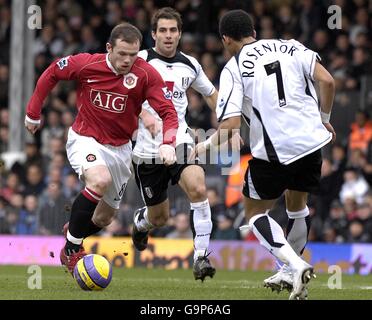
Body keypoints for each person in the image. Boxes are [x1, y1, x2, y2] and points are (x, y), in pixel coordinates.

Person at [192, 10, 336, 299]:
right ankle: (289, 270)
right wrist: (324, 117)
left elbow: (230, 126)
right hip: (311, 143)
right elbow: (328, 81)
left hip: (274, 151)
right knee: (297, 207)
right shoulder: (292, 46)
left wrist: (202, 147)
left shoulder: (234, 68)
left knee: (255, 213)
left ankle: (294, 264)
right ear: (254, 33)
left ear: (226, 40)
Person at [25, 22, 179, 274]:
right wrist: (33, 112)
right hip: (85, 138)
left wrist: (168, 143)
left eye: (133, 54)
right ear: (109, 48)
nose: (128, 60)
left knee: (104, 218)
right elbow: (52, 71)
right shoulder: (87, 64)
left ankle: (73, 231)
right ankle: (73, 250)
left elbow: (168, 112)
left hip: (120, 149)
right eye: (122, 54)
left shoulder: (146, 73)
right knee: (99, 180)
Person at [131, 7, 218, 282]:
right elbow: (122, 93)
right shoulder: (140, 60)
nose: (168, 36)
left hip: (179, 138)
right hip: (146, 150)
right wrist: (143, 114)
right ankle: (141, 222)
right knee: (160, 218)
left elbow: (212, 94)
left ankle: (201, 257)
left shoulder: (190, 64)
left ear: (179, 34)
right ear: (153, 34)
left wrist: (229, 124)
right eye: (163, 31)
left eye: (173, 31)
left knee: (198, 186)